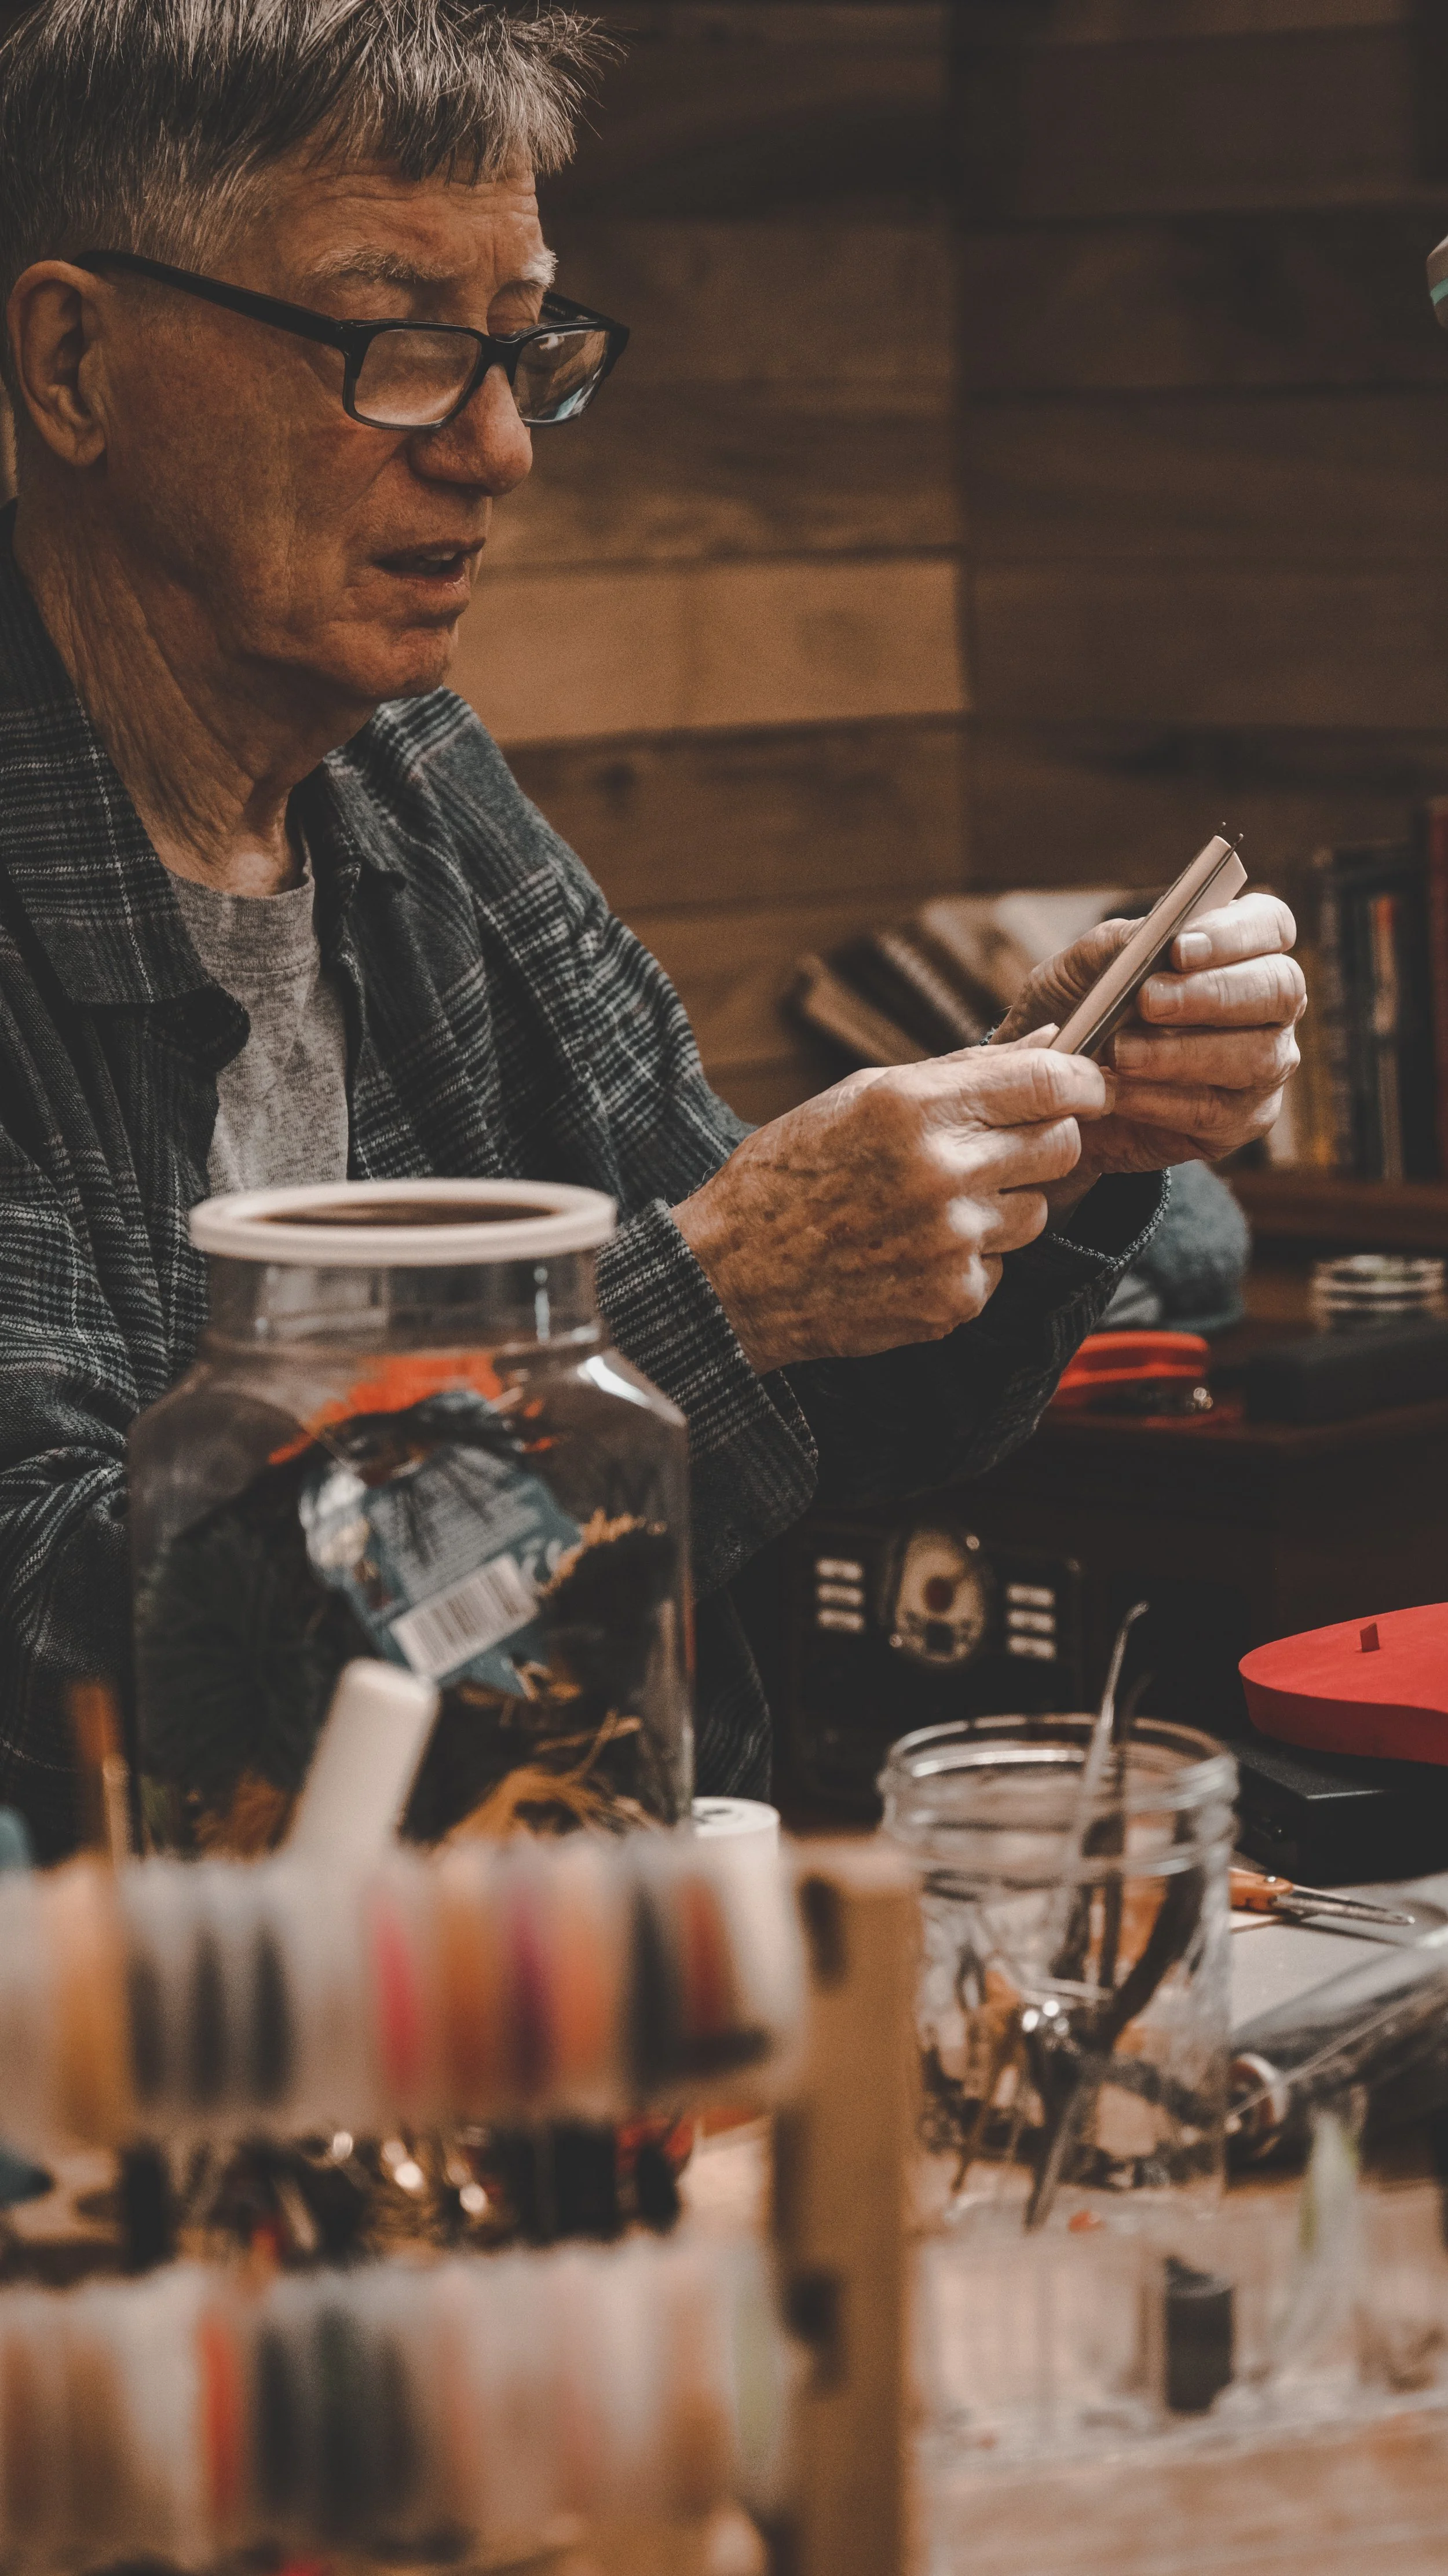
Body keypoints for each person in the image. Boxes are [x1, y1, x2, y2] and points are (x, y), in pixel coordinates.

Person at [0, 0, 1304, 1856]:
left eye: (523, 353)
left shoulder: (418, 783)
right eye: (393, 346)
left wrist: (1063, 1131)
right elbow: (82, 1635)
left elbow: (834, 1398)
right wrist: (695, 1304)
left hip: (585, 1936)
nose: (496, 451)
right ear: (73, 364)